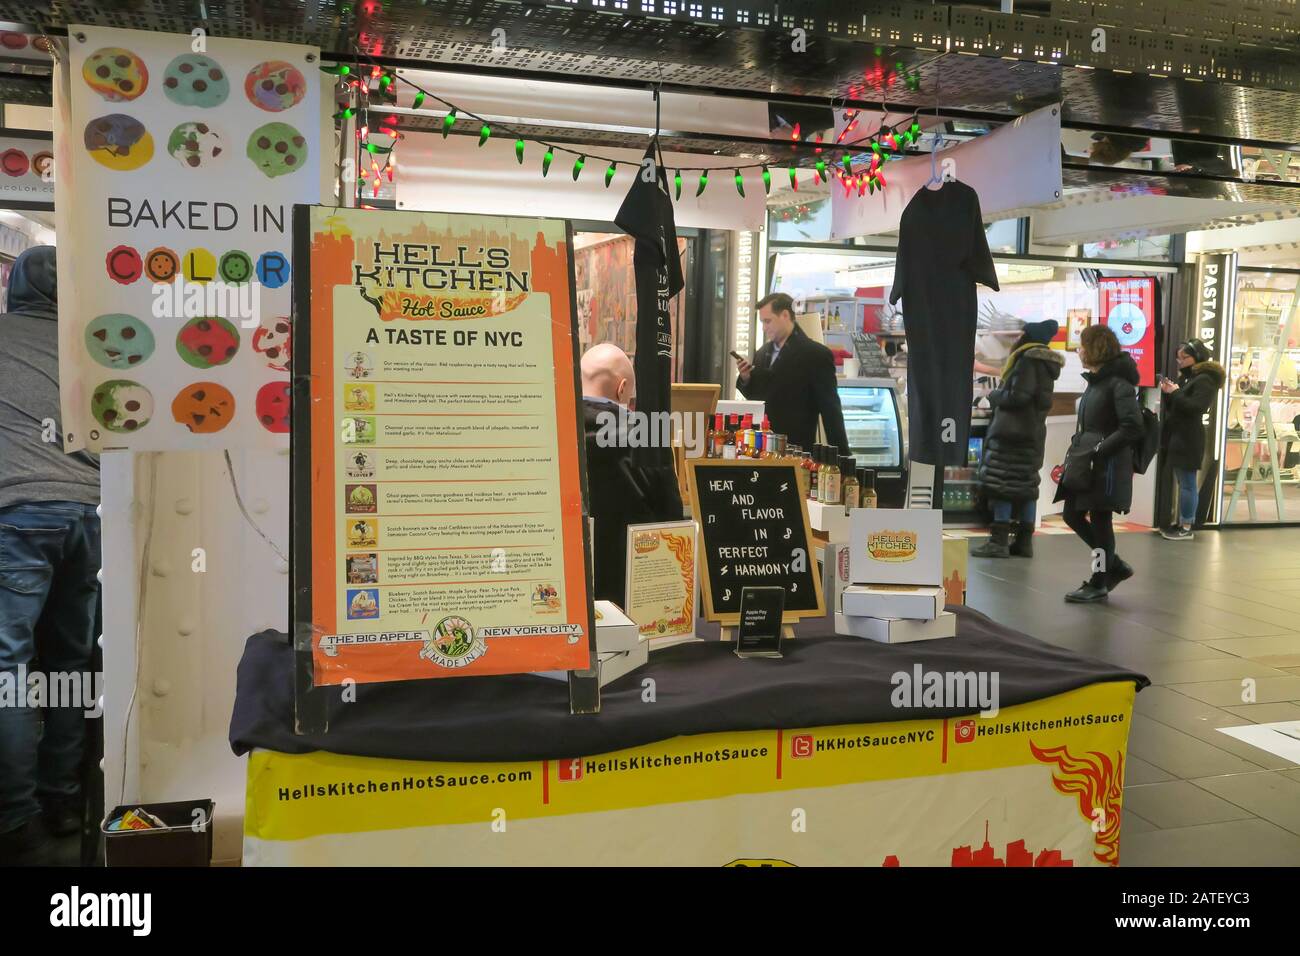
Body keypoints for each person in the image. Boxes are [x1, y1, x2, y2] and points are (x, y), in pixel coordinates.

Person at [0, 246, 102, 866]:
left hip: (16, 516)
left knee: (8, 671)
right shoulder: (91, 346)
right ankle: (63, 799)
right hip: (89, 516)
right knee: (71, 659)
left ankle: (15, 819)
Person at [580, 343, 678, 606]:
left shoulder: (553, 429)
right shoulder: (648, 435)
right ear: (622, 388)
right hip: (633, 599)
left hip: (565, 597)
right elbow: (672, 522)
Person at [1055, 325, 1144, 604]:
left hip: (1105, 467)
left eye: (1082, 345)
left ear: (1095, 348)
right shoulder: (1098, 381)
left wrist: (1099, 450)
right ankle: (1112, 566)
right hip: (1089, 463)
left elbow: (1132, 427)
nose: (1078, 350)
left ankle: (1099, 580)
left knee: (1101, 522)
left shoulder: (1119, 384)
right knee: (1072, 514)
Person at [971, 320, 1065, 559]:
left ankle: (999, 541)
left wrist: (994, 395)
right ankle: (1024, 541)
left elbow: (1019, 396)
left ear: (1027, 337)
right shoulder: (1044, 362)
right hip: (1032, 432)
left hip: (1011, 433)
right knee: (1025, 485)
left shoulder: (1027, 361)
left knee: (1002, 483)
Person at [735, 292, 849, 454]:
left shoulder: (815, 354)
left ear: (785, 315)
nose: (764, 327)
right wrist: (746, 378)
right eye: (762, 322)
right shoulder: (763, 352)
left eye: (768, 321)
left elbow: (830, 410)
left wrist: (842, 456)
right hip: (760, 449)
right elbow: (757, 398)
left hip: (796, 449)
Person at [1159, 339, 1225, 541]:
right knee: (1183, 481)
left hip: (1189, 438)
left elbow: (1196, 407)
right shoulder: (1190, 378)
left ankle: (1187, 526)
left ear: (1196, 356)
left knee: (1187, 483)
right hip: (1180, 436)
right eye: (1178, 357)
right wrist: (1171, 394)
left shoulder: (1205, 379)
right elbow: (1179, 406)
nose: (1179, 361)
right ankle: (1182, 522)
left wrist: (1176, 392)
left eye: (1184, 357)